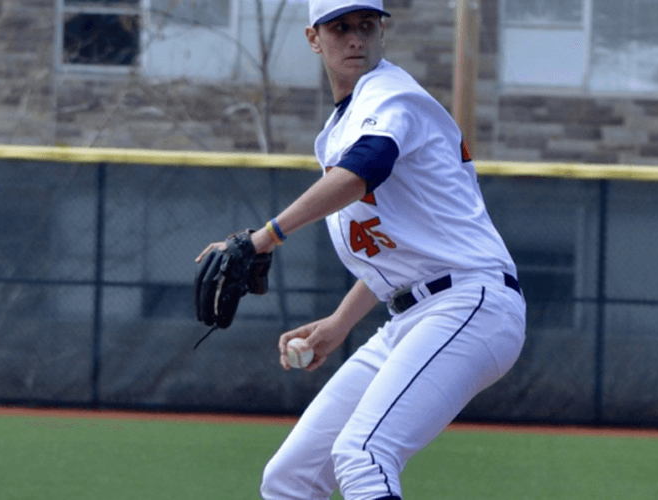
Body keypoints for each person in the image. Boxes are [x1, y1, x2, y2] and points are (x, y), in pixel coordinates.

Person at [197, 1, 526, 498]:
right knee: (289, 479)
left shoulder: (390, 94)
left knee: (364, 453)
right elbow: (394, 256)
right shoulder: (337, 133)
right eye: (340, 28)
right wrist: (339, 323)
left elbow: (364, 169)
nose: (355, 38)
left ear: (381, 32)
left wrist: (263, 237)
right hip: (413, 315)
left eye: (366, 26)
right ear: (314, 39)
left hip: (470, 303)